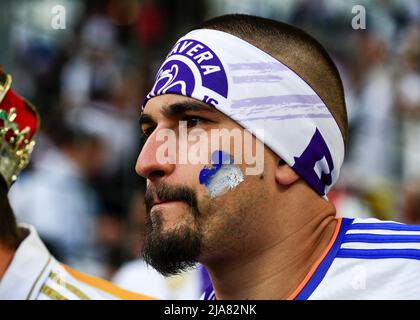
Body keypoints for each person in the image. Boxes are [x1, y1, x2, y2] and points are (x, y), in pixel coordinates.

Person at [136, 14, 420, 300]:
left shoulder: (408, 276)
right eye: (150, 131)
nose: (146, 162)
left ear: (290, 156)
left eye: (192, 124)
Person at [0, 69, 152, 300]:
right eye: (99, 150)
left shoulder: (69, 179)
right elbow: (58, 240)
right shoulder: (55, 179)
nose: (103, 159)